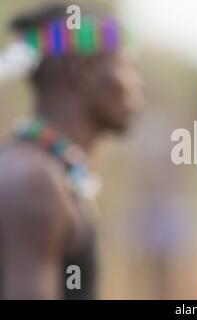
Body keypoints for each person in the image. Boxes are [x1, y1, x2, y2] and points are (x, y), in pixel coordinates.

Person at [0, 4, 143, 299]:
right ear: (86, 70)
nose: (137, 84)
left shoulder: (48, 172)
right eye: (128, 66)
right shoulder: (33, 181)